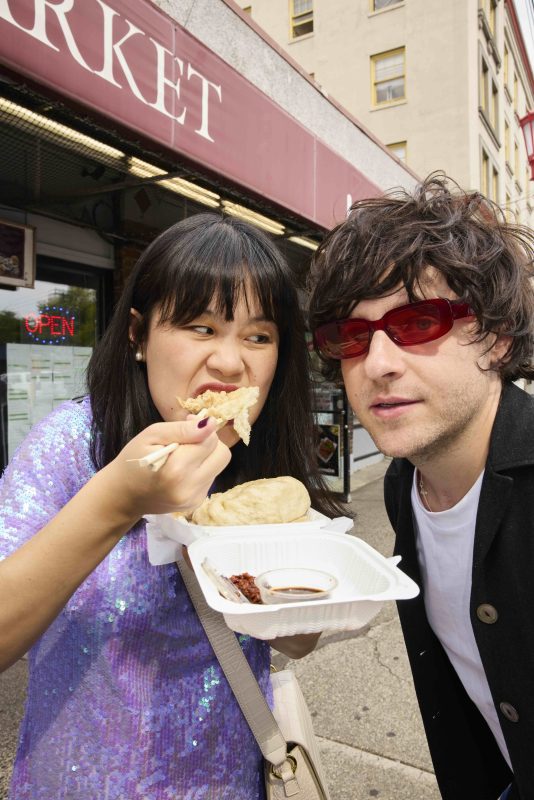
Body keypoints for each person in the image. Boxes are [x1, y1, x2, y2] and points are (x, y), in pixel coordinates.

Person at [0, 213, 344, 800]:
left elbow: (292, 639)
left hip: (229, 781)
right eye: (200, 327)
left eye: (258, 336)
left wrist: (296, 612)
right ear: (138, 335)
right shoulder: (71, 445)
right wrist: (117, 502)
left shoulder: (263, 470)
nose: (231, 363)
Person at [308, 174, 534, 800]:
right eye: (351, 337)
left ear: (497, 335)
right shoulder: (403, 487)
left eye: (420, 321)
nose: (377, 363)